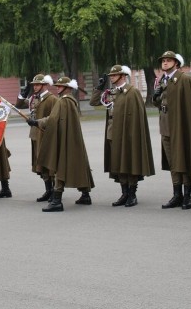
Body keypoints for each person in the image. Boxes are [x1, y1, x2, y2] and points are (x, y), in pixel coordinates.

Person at [90, 64, 155, 207]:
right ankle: (124, 193)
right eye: (111, 75)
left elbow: (138, 116)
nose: (111, 77)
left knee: (129, 162)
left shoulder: (132, 92)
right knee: (118, 163)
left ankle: (132, 194)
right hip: (113, 133)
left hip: (127, 134)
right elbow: (94, 102)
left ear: (123, 76)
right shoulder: (111, 92)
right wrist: (99, 88)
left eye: (114, 75)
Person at [151, 51, 191, 210]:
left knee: (183, 159)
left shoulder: (185, 79)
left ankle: (187, 195)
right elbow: (159, 104)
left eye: (168, 60)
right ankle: (177, 194)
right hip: (166, 126)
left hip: (181, 126)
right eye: (163, 61)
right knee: (173, 162)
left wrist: (188, 126)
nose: (165, 63)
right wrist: (155, 97)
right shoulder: (162, 80)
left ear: (176, 63)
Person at [29, 76, 95, 211]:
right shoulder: (70, 101)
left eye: (60, 86)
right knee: (78, 165)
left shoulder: (63, 102)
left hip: (65, 139)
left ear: (68, 88)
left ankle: (57, 201)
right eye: (57, 85)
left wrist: (37, 122)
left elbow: (53, 120)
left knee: (61, 166)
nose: (57, 87)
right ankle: (85, 195)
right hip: (72, 139)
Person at [16, 74, 58, 202]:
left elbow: (54, 118)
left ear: (45, 85)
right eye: (34, 85)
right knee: (40, 163)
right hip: (35, 134)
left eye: (38, 84)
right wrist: (22, 95)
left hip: (46, 134)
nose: (35, 87)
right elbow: (19, 105)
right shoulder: (34, 98)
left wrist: (39, 123)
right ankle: (48, 190)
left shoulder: (52, 99)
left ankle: (54, 191)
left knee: (48, 163)